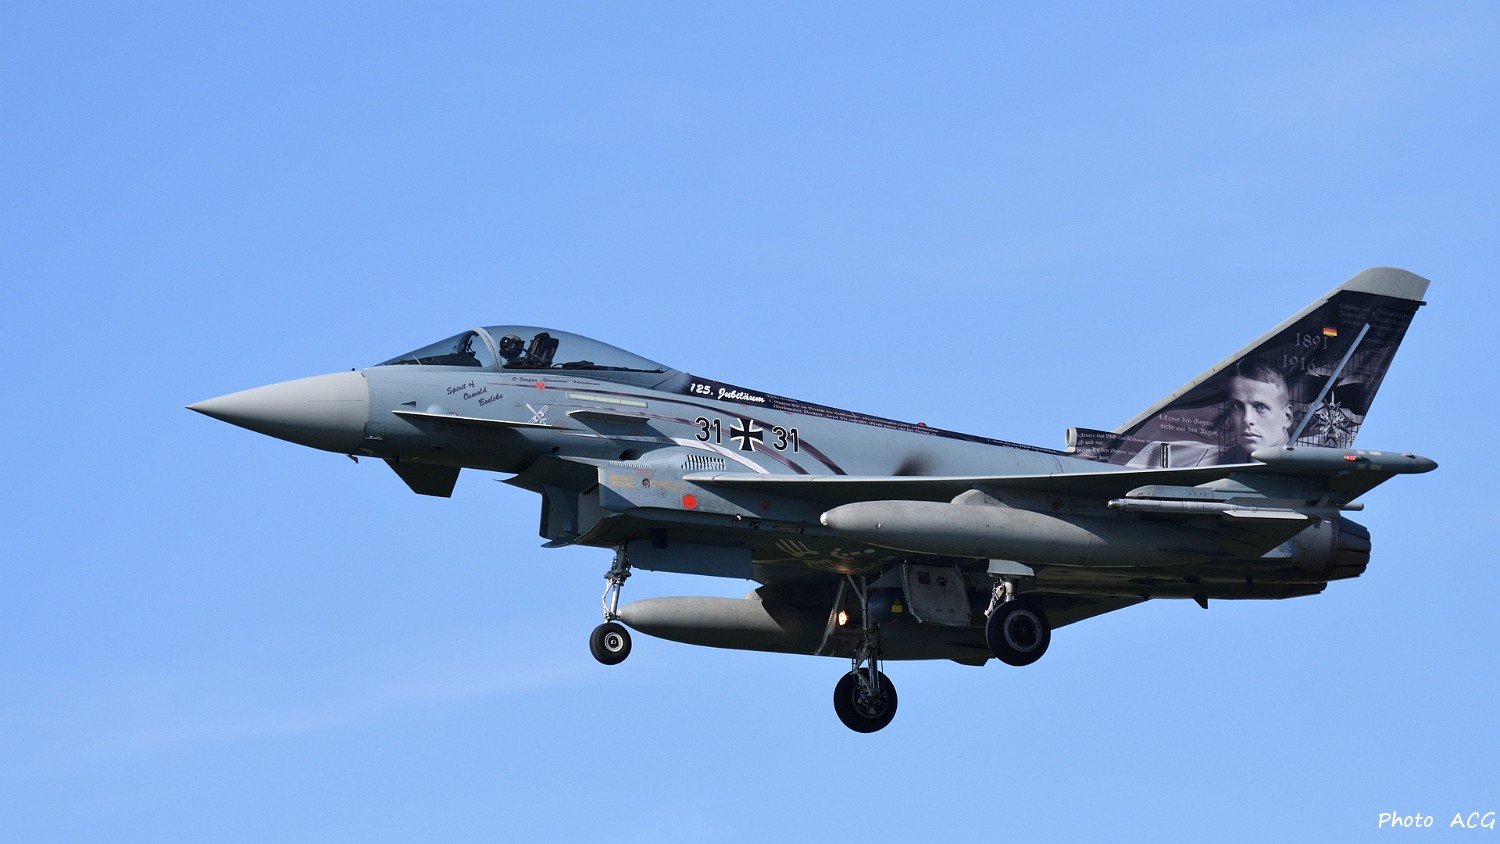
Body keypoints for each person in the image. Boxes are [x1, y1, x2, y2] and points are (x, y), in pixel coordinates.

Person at [1220, 359, 1293, 462]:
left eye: (1261, 407)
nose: (1247, 419)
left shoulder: (1308, 466)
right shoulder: (1227, 460)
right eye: (1237, 406)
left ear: (1287, 417)